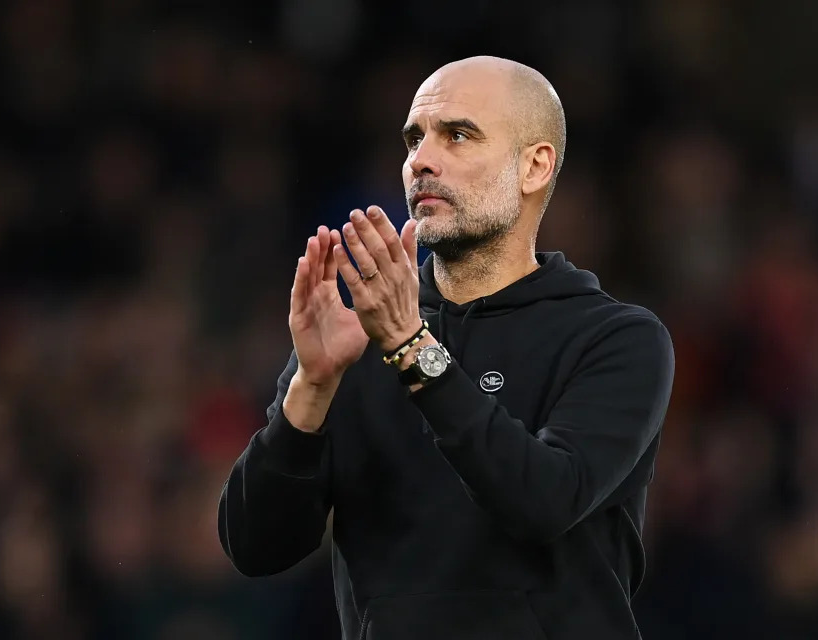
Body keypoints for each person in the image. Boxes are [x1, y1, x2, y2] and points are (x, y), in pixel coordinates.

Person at [217, 56, 674, 640]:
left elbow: (543, 501)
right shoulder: (356, 337)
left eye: (458, 135)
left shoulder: (617, 338)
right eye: (414, 139)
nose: (420, 161)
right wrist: (312, 385)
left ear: (535, 167)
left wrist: (412, 348)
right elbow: (256, 549)